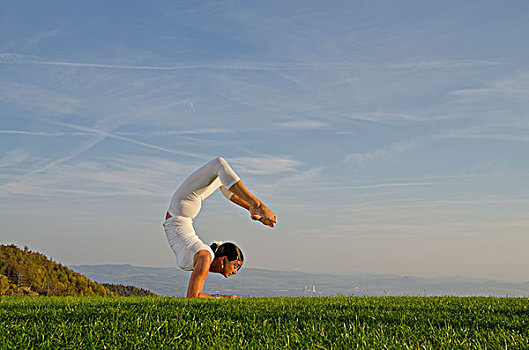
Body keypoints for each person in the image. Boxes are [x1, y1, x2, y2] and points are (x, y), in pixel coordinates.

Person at [163, 157, 277, 298]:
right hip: (181, 211)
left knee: (220, 179)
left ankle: (252, 208)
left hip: (182, 214)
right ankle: (256, 205)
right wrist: (224, 298)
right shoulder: (205, 256)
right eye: (236, 265)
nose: (235, 271)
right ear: (223, 260)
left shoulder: (204, 257)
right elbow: (193, 297)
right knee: (219, 164)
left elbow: (194, 296)